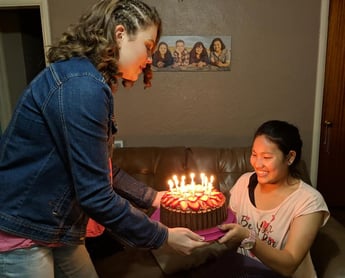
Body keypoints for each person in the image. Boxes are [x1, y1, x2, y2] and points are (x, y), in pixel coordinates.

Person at [0, 0, 207, 277]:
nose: (149, 59)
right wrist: (163, 236)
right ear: (120, 34)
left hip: (59, 229)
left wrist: (154, 197)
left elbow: (103, 170)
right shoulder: (83, 87)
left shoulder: (86, 80)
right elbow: (96, 194)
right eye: (147, 47)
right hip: (25, 231)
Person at [218, 120, 329, 278]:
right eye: (254, 154)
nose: (257, 164)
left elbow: (289, 265)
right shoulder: (244, 182)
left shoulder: (309, 201)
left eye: (267, 157)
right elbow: (229, 229)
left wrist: (248, 237)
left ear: (290, 157)